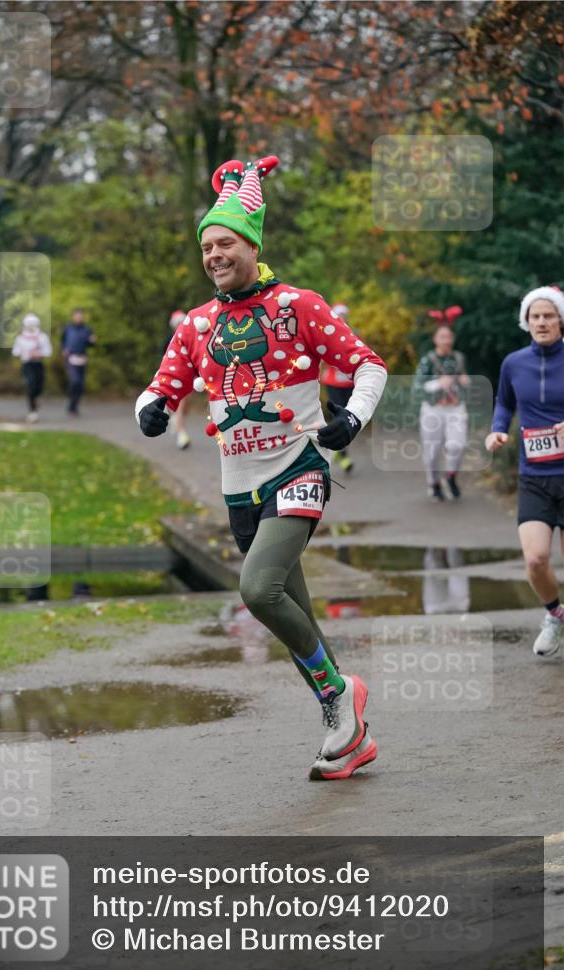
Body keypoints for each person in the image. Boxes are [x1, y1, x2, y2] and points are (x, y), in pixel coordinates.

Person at [135, 155, 387, 779]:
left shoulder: (298, 305)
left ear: (252, 246)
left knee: (257, 591)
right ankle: (350, 732)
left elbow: (369, 365)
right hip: (239, 489)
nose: (214, 255)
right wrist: (150, 410)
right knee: (291, 609)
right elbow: (160, 388)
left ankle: (339, 696)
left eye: (225, 244)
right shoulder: (198, 323)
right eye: (207, 247)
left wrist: (351, 420)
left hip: (299, 466)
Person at [485, 285, 564, 657]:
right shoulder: (514, 363)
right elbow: (504, 402)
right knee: (535, 560)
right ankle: (555, 615)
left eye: (549, 315)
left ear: (560, 320)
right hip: (534, 476)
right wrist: (497, 430)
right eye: (535, 316)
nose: (542, 322)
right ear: (526, 321)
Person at [412, 314, 469, 501]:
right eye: (442, 336)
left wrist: (465, 381)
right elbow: (418, 386)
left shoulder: (459, 357)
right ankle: (434, 483)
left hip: (455, 408)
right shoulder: (428, 360)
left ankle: (451, 476)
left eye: (449, 336)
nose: (446, 340)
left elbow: (463, 381)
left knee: (457, 445)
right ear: (435, 339)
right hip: (433, 409)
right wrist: (437, 383)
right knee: (432, 452)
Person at [320, 302, 355, 472]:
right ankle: (343, 455)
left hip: (350, 382)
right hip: (333, 382)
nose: (342, 318)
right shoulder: (327, 333)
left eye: (344, 315)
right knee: (339, 415)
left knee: (349, 416)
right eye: (338, 315)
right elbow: (322, 356)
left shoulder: (354, 334)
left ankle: (338, 451)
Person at [11, 313, 52, 422]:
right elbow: (15, 351)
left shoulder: (42, 337)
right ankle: (32, 412)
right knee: (31, 385)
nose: (30, 326)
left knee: (38, 387)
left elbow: (48, 351)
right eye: (29, 324)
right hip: (27, 364)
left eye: (32, 324)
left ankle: (36, 399)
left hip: (38, 364)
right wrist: (26, 352)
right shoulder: (21, 338)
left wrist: (39, 354)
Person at [164, 310, 192, 449]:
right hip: (176, 376)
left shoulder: (191, 338)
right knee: (181, 404)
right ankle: (182, 435)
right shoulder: (169, 340)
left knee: (186, 406)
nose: (180, 325)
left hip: (191, 376)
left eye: (182, 322)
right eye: (177, 323)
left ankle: (176, 420)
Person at [61, 308, 96, 415]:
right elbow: (62, 341)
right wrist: (64, 349)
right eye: (77, 316)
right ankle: (70, 401)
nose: (79, 318)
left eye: (81, 316)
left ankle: (74, 406)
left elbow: (91, 344)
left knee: (80, 384)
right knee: (74, 381)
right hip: (71, 358)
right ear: (73, 317)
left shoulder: (87, 329)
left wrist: (92, 341)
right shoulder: (68, 329)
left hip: (82, 358)